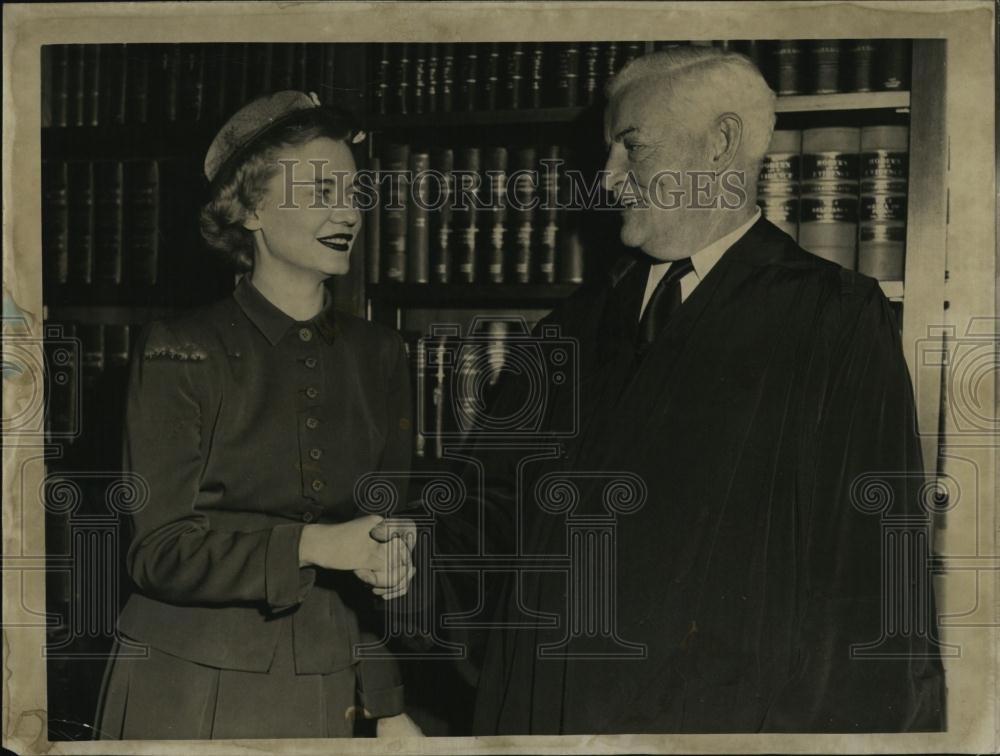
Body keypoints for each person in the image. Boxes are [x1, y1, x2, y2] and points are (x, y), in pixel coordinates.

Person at [470, 47, 945, 734]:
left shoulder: (831, 318)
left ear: (721, 142)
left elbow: (871, 577)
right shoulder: (571, 327)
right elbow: (488, 512)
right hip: (549, 711)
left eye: (631, 148)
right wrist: (404, 554)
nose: (606, 182)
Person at [95, 91, 422, 740]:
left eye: (353, 193)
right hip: (187, 684)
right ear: (249, 210)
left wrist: (387, 706)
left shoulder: (381, 354)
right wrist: (313, 545)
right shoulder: (180, 346)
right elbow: (158, 552)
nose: (347, 213)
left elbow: (373, 540)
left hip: (329, 687)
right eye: (321, 190)